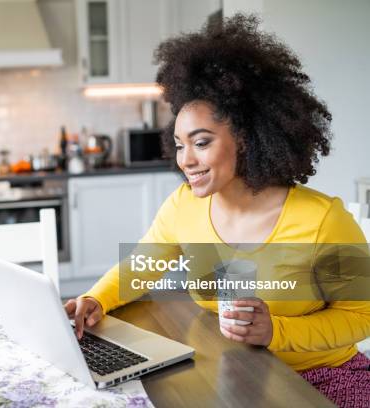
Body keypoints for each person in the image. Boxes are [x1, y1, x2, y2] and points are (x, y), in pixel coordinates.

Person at [64, 14, 370, 407]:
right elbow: (139, 267)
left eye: (201, 142)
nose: (185, 160)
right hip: (234, 372)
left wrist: (276, 331)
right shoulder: (184, 208)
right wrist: (95, 299)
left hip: (319, 379)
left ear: (245, 138)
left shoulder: (322, 220)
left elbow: (361, 316)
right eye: (179, 144)